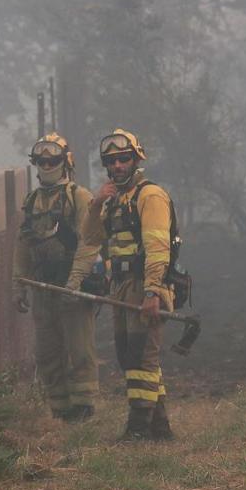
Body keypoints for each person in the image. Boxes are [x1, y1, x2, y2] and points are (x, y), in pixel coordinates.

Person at [64, 128, 176, 441]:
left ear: (136, 159)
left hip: (145, 284)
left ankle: (138, 429)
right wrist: (96, 204)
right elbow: (91, 237)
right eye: (111, 162)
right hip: (121, 286)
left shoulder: (150, 196)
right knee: (132, 356)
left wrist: (153, 292)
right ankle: (160, 426)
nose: (117, 166)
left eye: (123, 159)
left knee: (142, 356)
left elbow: (158, 249)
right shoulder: (114, 199)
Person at [14, 133, 99, 421]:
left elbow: (90, 242)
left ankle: (83, 408)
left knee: (79, 348)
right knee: (47, 351)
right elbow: (23, 244)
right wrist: (19, 283)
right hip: (42, 287)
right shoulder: (31, 202)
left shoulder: (80, 197)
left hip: (71, 286)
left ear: (66, 162)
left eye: (53, 159)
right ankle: (61, 411)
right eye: (41, 159)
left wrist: (75, 281)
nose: (47, 164)